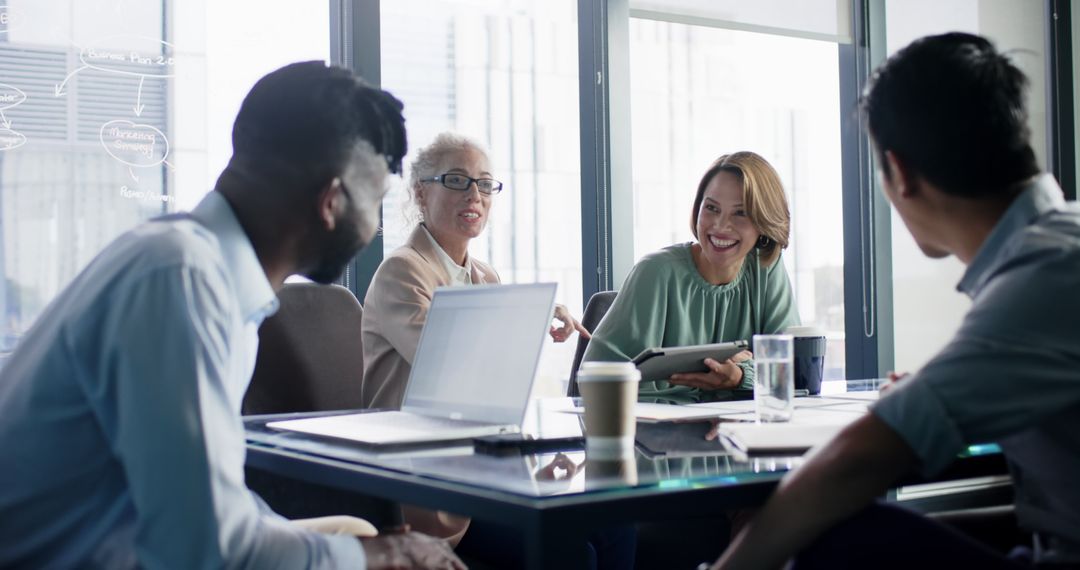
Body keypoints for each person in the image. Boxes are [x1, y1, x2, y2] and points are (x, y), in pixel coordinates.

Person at [0, 61, 464, 570]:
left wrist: (360, 547)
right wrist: (375, 556)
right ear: (331, 202)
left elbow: (211, 510)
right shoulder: (183, 280)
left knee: (354, 534)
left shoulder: (196, 269)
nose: (374, 227)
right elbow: (207, 551)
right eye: (375, 202)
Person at [713, 32, 1080, 570]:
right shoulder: (1057, 247)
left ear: (900, 173)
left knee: (836, 537)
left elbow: (855, 461)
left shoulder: (1039, 279)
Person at [361, 131, 588, 412]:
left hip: (472, 434)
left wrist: (540, 312)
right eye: (456, 181)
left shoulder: (486, 276)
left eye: (484, 184)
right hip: (407, 443)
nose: (474, 195)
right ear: (421, 193)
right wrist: (528, 313)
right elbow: (448, 368)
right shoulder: (401, 271)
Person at [582, 151, 799, 404]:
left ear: (764, 222)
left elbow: (793, 371)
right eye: (711, 208)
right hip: (656, 432)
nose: (720, 225)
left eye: (740, 213)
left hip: (739, 433)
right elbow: (596, 380)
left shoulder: (766, 267)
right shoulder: (655, 272)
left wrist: (742, 376)